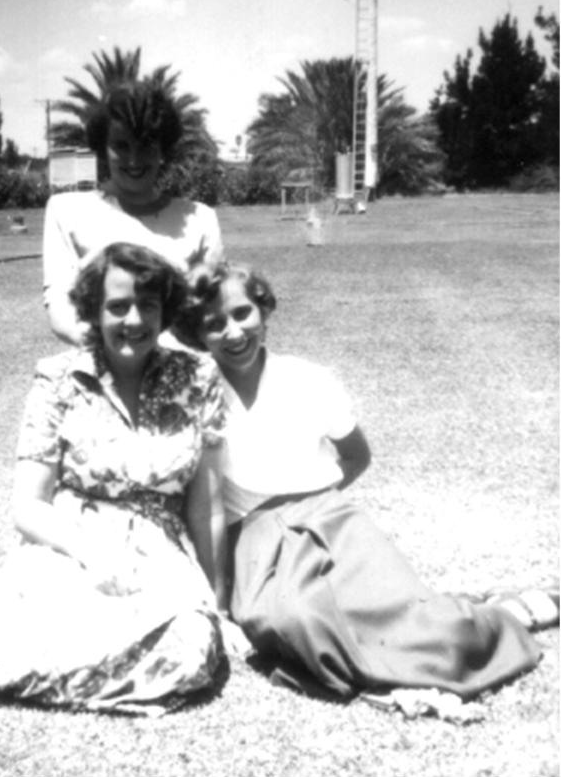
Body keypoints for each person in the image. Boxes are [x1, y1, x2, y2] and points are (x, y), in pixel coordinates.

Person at [174, 262, 559, 711]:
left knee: (403, 612)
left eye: (243, 313)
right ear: (197, 335)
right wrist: (219, 607)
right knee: (294, 621)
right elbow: (210, 506)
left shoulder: (307, 378)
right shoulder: (198, 393)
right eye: (214, 324)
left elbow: (357, 455)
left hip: (331, 518)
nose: (234, 332)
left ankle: (505, 614)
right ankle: (392, 663)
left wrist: (320, 506)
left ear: (264, 309)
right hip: (254, 536)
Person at [0, 243, 228, 716]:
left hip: (159, 546)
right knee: (14, 658)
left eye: (148, 305)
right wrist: (91, 552)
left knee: (190, 655)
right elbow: (28, 506)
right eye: (118, 306)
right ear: (94, 310)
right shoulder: (57, 380)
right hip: (71, 539)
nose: (135, 320)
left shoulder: (198, 377)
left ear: (166, 310)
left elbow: (206, 505)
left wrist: (219, 605)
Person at [43, 81, 224, 345]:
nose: (134, 159)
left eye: (146, 145)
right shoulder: (67, 211)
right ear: (102, 149)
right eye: (121, 145)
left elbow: (213, 304)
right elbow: (59, 302)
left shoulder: (201, 218)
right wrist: (116, 351)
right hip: (101, 357)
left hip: (179, 362)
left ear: (163, 149)